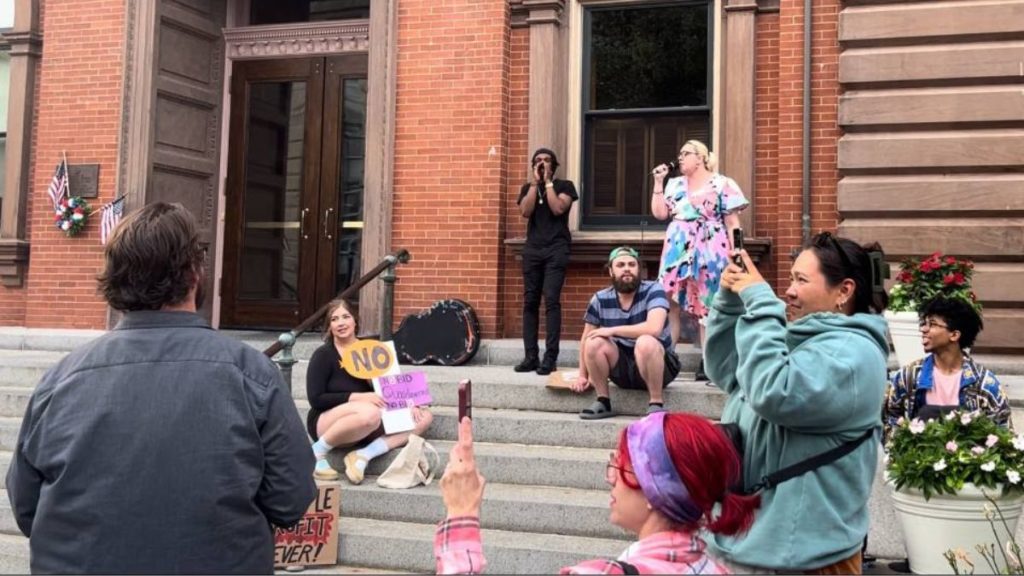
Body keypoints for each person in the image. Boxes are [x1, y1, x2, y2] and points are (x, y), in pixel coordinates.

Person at [5, 202, 316, 574]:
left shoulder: (60, 380)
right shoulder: (251, 374)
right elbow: (291, 499)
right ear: (195, 273)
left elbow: (27, 505)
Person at [704, 232, 890, 574]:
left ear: (844, 291)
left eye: (800, 280)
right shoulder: (799, 336)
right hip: (750, 543)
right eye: (790, 279)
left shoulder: (855, 355)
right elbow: (728, 370)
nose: (788, 290)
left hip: (807, 559)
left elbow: (774, 391)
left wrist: (760, 301)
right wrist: (730, 303)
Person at [434, 413, 761, 574]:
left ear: (654, 491)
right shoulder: (715, 570)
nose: (610, 479)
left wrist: (462, 513)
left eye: (619, 467)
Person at [307, 298, 433, 484]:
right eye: (334, 319)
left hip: (367, 424)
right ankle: (317, 451)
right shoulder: (323, 355)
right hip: (328, 422)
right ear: (329, 326)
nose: (341, 323)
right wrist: (358, 397)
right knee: (370, 411)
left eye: (345, 317)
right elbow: (316, 399)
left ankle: (363, 455)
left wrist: (410, 401)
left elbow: (391, 387)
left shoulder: (372, 350)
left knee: (425, 416)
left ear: (354, 320)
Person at [651, 140, 748, 380]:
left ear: (701, 158)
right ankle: (666, 357)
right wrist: (658, 182)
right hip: (677, 248)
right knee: (669, 301)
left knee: (708, 303)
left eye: (686, 153)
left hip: (711, 247)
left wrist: (739, 255)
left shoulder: (722, 183)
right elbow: (660, 213)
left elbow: (733, 223)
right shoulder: (674, 184)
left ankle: (708, 361)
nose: (680, 157)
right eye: (680, 153)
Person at [570, 247, 681, 419]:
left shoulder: (654, 290)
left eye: (632, 264)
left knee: (645, 341)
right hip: (622, 369)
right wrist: (582, 376)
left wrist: (612, 330)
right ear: (611, 271)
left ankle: (656, 404)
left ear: (639, 269)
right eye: (620, 265)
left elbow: (654, 328)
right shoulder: (599, 299)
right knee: (594, 341)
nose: (627, 268)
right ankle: (603, 401)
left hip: (659, 365)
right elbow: (586, 338)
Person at [884, 296, 1011, 441]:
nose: (923, 329)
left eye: (932, 324)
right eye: (923, 323)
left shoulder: (984, 385)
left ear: (954, 335)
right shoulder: (908, 377)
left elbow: (1004, 433)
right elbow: (890, 419)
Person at [515, 147, 579, 376]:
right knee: (530, 302)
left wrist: (549, 182)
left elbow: (558, 208)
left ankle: (550, 358)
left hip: (556, 249)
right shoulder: (527, 188)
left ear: (554, 165)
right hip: (533, 249)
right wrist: (535, 184)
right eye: (538, 161)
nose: (542, 164)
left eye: (547, 160)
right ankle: (530, 356)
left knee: (551, 300)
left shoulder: (565, 186)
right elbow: (525, 211)